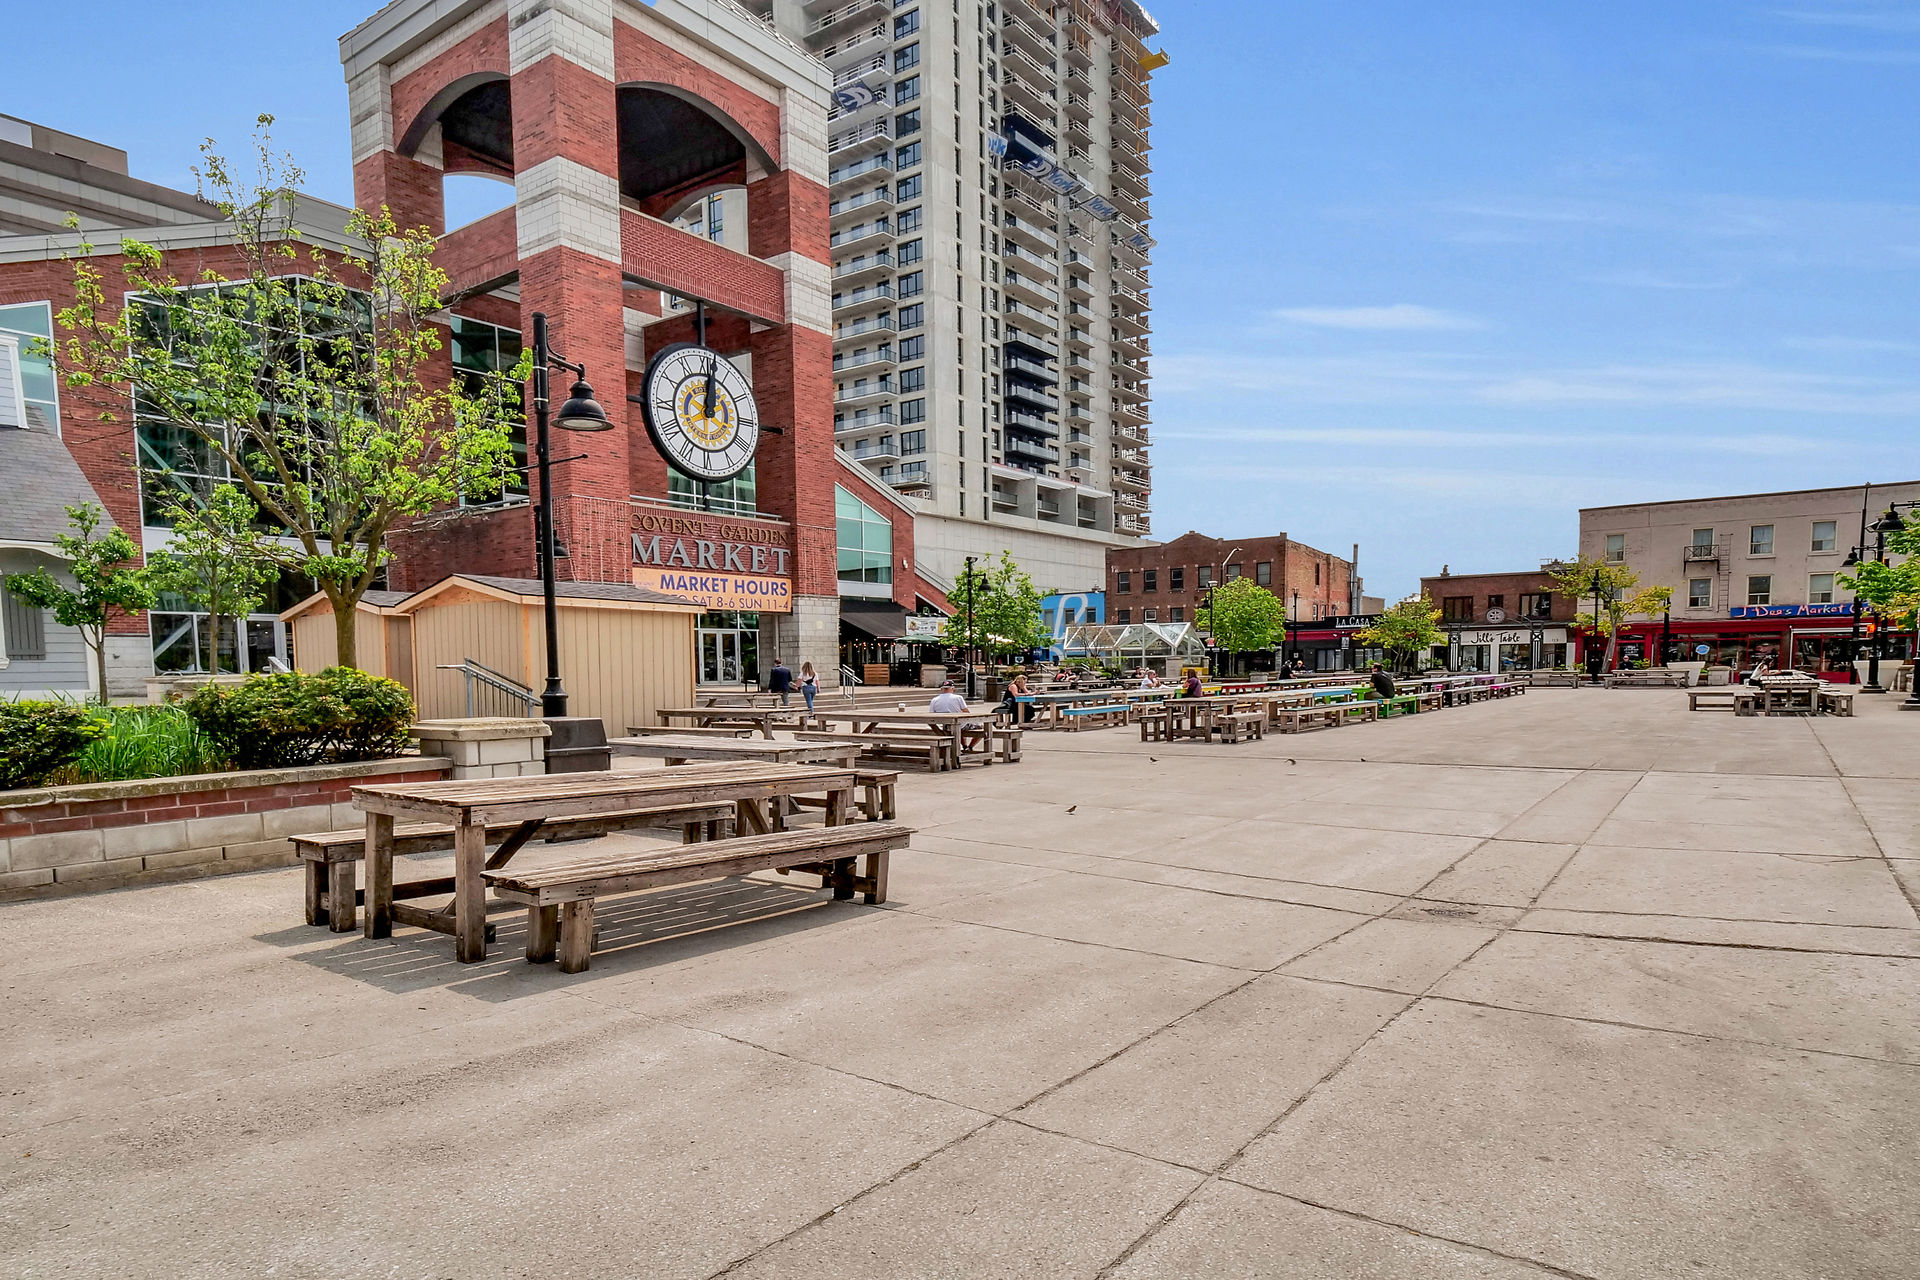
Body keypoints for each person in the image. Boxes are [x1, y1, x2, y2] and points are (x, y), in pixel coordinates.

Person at [930, 680, 988, 753]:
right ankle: (970, 747)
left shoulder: (934, 700)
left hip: (943, 726)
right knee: (981, 726)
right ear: (952, 688)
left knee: (958, 725)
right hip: (957, 725)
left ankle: (964, 746)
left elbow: (931, 714)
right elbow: (966, 712)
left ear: (942, 689)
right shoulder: (958, 698)